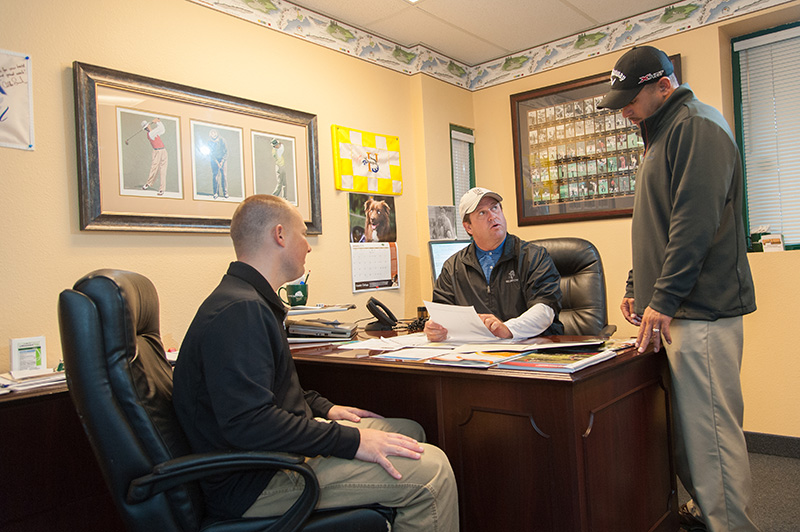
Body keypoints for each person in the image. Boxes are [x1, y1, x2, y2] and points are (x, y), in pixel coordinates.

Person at [173, 194, 458, 531]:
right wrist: (351, 441)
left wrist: (325, 409)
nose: (309, 246)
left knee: (409, 432)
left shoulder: (246, 300)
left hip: (274, 457)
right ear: (279, 235)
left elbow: (271, 392)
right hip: (257, 481)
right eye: (304, 234)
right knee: (433, 470)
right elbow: (250, 422)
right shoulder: (240, 311)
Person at [598, 45, 759, 532]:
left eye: (630, 98)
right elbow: (659, 224)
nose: (623, 108)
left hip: (701, 311)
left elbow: (694, 225)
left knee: (710, 435)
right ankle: (709, 515)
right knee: (688, 436)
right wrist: (636, 284)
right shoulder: (662, 135)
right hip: (675, 310)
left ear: (663, 87)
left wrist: (662, 297)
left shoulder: (697, 127)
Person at [424, 186, 564, 341]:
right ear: (468, 227)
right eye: (482, 213)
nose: (492, 216)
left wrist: (508, 329)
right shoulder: (452, 268)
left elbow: (545, 309)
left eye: (495, 208)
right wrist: (435, 328)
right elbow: (442, 314)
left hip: (533, 352)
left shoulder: (534, 257)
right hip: (477, 355)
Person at [141, 118, 167, 196]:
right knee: (154, 169)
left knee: (163, 171)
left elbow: (162, 130)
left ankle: (162, 189)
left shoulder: (154, 132)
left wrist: (158, 122)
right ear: (146, 128)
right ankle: (148, 183)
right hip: (157, 152)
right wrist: (158, 122)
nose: (148, 127)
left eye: (148, 125)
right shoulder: (151, 134)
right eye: (147, 126)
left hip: (163, 151)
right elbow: (160, 129)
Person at [209, 129, 228, 199]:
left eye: (214, 133)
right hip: (214, 160)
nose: (213, 134)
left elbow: (226, 152)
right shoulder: (209, 142)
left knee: (224, 176)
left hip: (223, 159)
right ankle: (216, 193)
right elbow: (211, 154)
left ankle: (225, 192)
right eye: (212, 133)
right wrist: (217, 163)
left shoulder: (222, 140)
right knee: (215, 176)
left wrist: (222, 161)